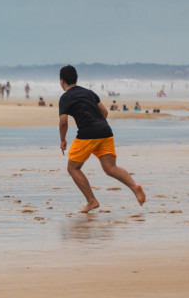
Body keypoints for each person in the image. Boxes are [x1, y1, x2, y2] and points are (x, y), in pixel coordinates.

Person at [57, 65, 145, 213]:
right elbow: (104, 111)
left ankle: (92, 201)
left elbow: (63, 122)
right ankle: (135, 188)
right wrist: (98, 127)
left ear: (61, 81)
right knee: (111, 168)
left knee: (73, 168)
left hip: (87, 134)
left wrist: (62, 140)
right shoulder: (89, 92)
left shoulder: (65, 98)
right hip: (105, 131)